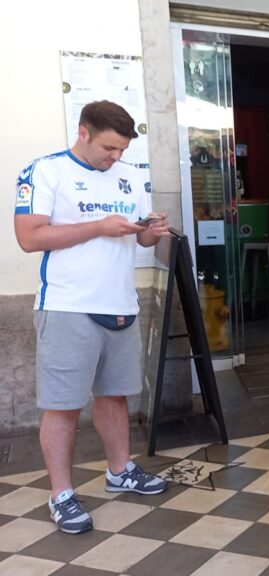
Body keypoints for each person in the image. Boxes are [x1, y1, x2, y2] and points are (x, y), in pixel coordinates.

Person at [13, 100, 170, 535]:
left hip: (120, 304)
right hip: (67, 307)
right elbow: (29, 237)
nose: (114, 157)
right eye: (108, 148)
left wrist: (148, 232)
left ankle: (119, 470)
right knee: (62, 406)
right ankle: (61, 494)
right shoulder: (45, 171)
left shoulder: (130, 175)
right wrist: (98, 226)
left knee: (115, 397)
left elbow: (138, 238)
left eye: (120, 149)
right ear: (83, 132)